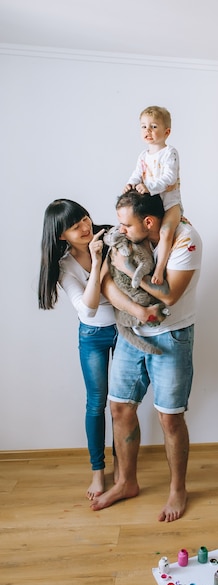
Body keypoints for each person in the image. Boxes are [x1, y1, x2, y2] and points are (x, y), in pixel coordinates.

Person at [38, 199, 164, 500]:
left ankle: (123, 471)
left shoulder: (110, 236)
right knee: (95, 403)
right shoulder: (65, 266)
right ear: (60, 236)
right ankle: (98, 471)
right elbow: (88, 310)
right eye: (74, 226)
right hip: (93, 335)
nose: (84, 226)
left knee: (120, 404)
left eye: (83, 218)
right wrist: (96, 264)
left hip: (126, 330)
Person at [91, 190, 202, 522]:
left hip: (172, 335)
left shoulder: (186, 239)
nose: (119, 230)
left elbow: (169, 295)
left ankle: (177, 489)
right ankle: (126, 482)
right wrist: (137, 309)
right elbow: (108, 282)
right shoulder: (126, 239)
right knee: (119, 408)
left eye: (126, 225)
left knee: (170, 417)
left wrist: (128, 267)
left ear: (149, 223)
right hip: (131, 332)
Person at [124, 105, 182, 286]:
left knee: (165, 232)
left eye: (154, 126)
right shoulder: (143, 155)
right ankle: (142, 265)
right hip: (151, 206)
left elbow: (169, 178)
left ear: (167, 131)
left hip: (169, 204)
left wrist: (148, 186)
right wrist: (131, 183)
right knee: (141, 231)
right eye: (143, 126)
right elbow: (137, 173)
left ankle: (160, 268)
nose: (147, 130)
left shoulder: (169, 153)